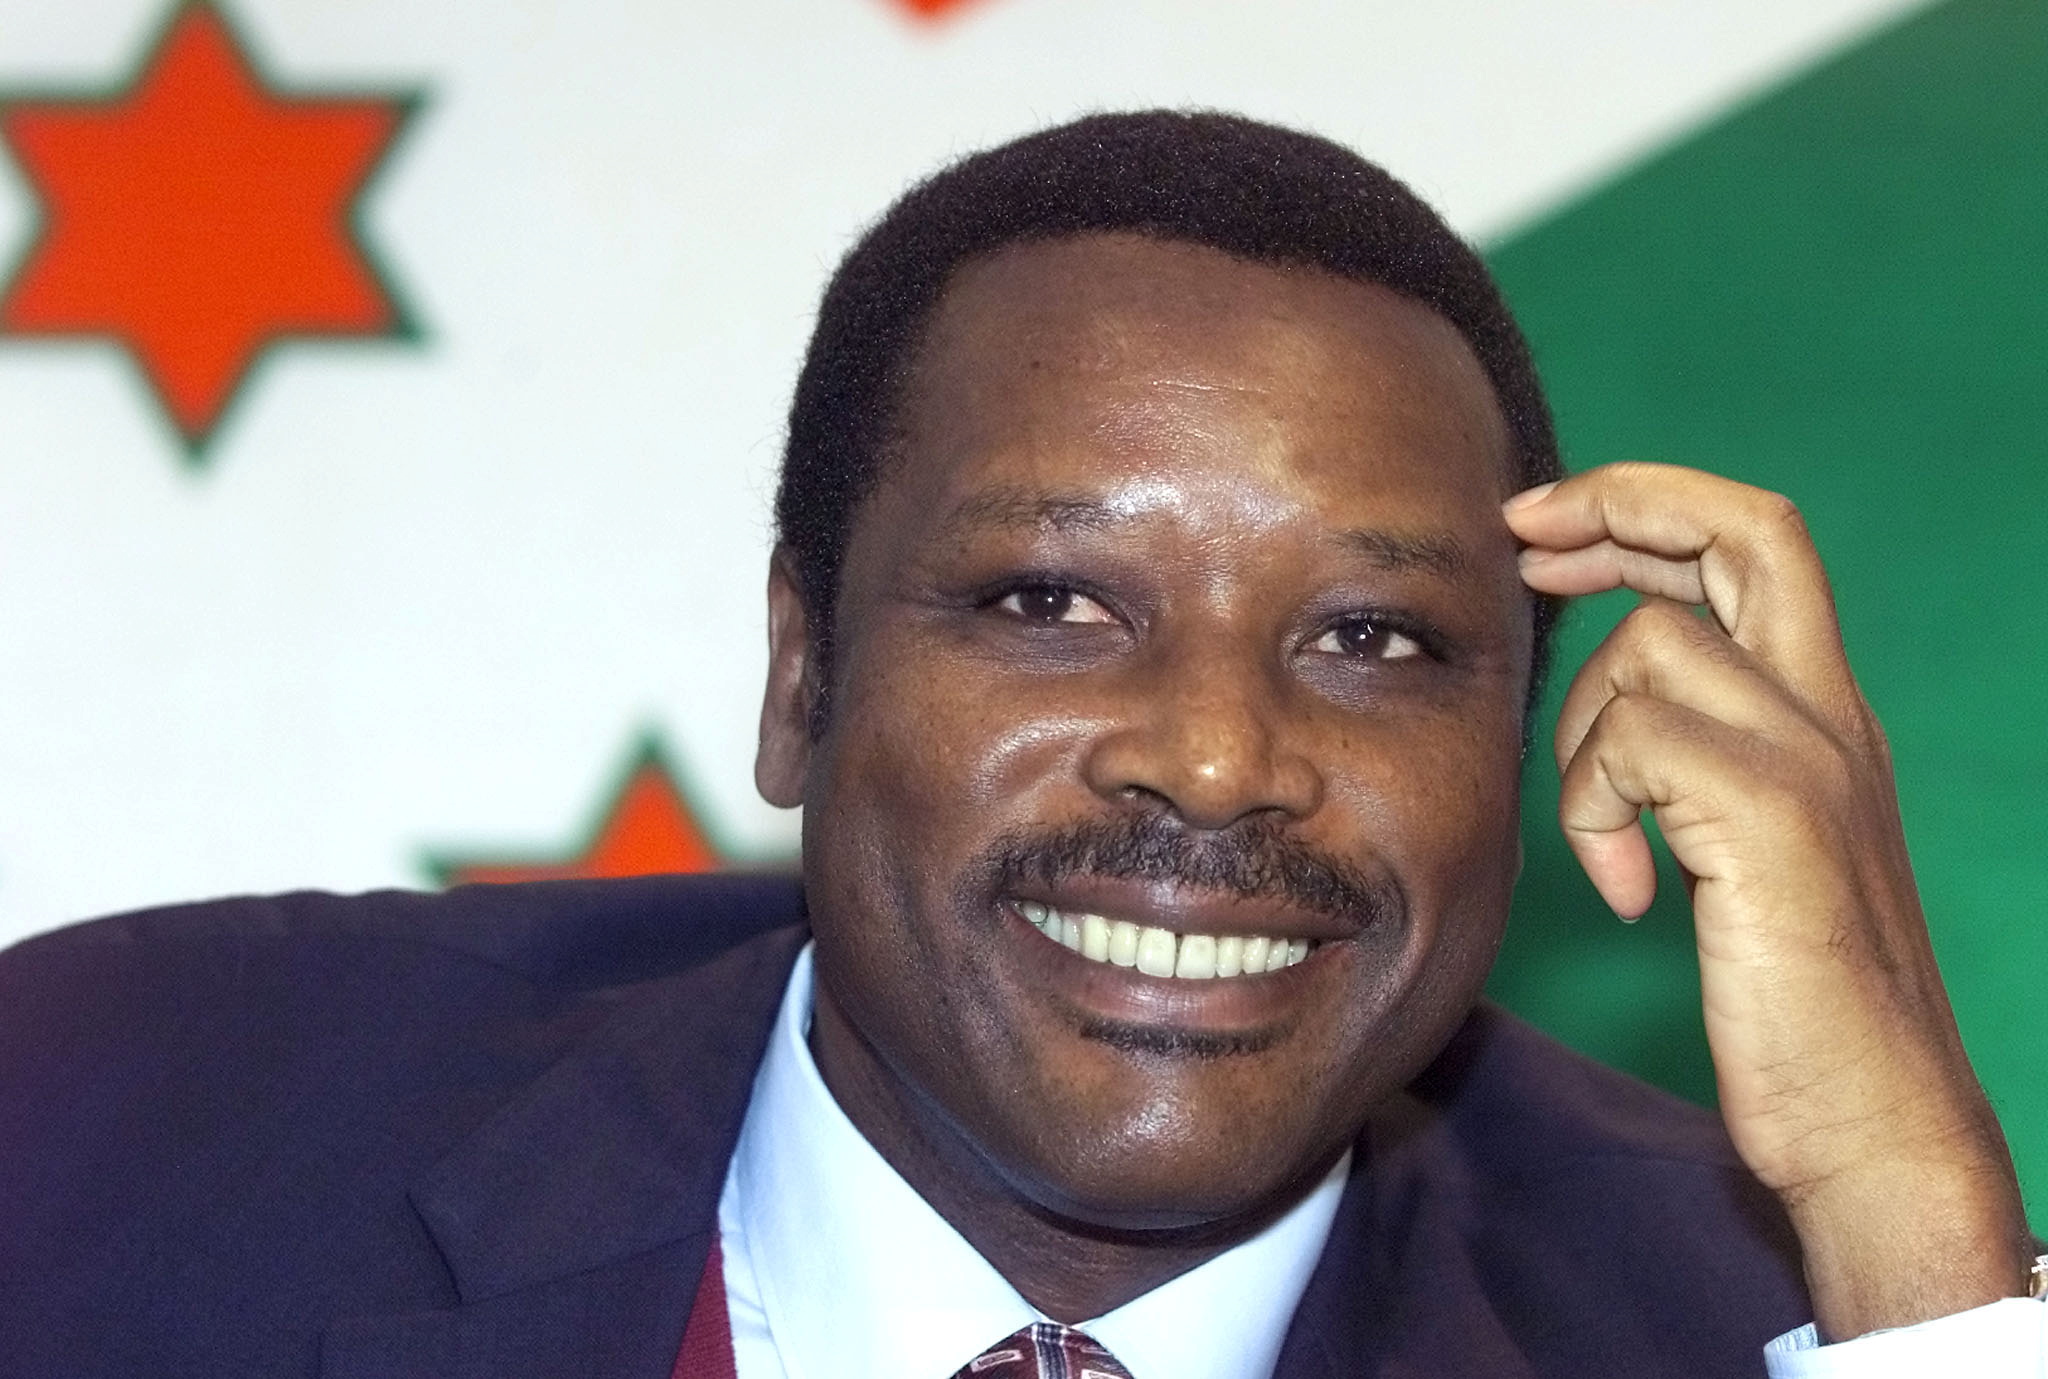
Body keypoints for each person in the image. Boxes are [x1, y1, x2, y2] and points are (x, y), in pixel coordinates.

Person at [0, 110, 2039, 1378]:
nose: (1221, 761)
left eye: (1372, 636)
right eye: (1053, 603)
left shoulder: (1770, 1323)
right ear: (801, 674)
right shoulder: (113, 1142)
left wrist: (1903, 1235)